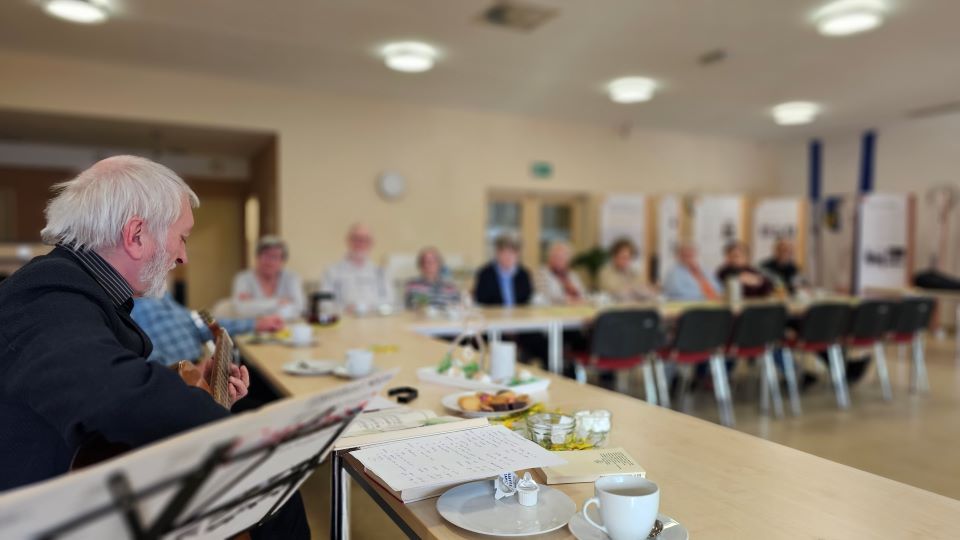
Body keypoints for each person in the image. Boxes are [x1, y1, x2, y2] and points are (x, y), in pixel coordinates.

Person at [0, 156, 308, 538]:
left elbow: (88, 371)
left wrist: (195, 385)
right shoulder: (46, 293)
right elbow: (113, 392)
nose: (183, 256)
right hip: (38, 517)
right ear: (137, 235)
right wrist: (242, 438)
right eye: (182, 237)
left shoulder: (75, 287)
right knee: (272, 479)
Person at [132, 291, 284, 366]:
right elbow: (147, 362)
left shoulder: (161, 294)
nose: (182, 258)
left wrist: (255, 324)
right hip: (183, 382)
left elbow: (199, 322)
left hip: (202, 369)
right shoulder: (128, 307)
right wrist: (187, 372)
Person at [322, 223, 394, 313]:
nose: (360, 243)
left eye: (365, 240)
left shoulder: (381, 272)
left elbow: (390, 301)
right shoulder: (332, 272)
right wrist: (344, 309)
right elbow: (324, 303)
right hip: (345, 321)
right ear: (348, 241)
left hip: (375, 322)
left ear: (371, 243)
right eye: (356, 239)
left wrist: (372, 308)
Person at [232, 235, 305, 319]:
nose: (269, 261)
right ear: (257, 257)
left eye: (274, 257)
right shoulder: (243, 279)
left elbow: (299, 308)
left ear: (282, 261)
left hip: (285, 327)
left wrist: (254, 305)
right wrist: (277, 302)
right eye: (265, 255)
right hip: (253, 327)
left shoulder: (292, 278)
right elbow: (241, 309)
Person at [473, 234, 533, 306]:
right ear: (497, 253)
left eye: (512, 253)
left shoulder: (524, 274)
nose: (508, 256)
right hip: (493, 315)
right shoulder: (485, 273)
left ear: (518, 254)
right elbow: (480, 300)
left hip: (519, 315)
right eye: (504, 252)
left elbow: (528, 300)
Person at [597, 237, 656, 302]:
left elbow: (645, 289)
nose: (626, 261)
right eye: (623, 257)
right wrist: (633, 289)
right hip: (614, 309)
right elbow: (612, 290)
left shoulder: (634, 272)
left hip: (635, 308)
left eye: (629, 257)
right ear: (614, 256)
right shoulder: (605, 272)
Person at [535, 241, 587, 305]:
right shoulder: (542, 273)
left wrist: (577, 299)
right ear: (550, 258)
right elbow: (543, 296)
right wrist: (567, 300)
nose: (559, 260)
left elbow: (583, 294)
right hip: (552, 311)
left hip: (575, 310)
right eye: (556, 257)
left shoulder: (573, 275)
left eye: (562, 258)